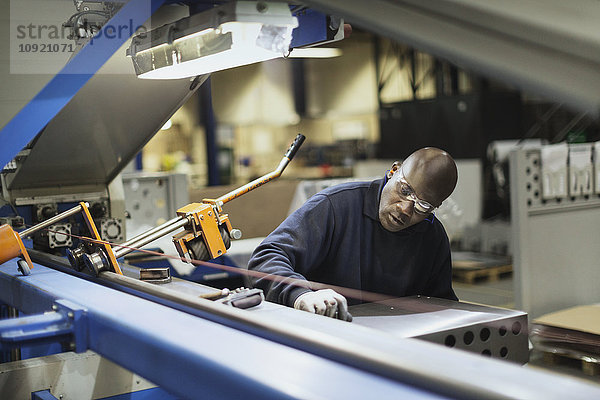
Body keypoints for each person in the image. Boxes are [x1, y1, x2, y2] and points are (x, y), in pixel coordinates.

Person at [247, 147, 459, 321]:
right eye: (404, 191)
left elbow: (442, 306)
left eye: (422, 206)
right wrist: (300, 294)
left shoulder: (432, 237)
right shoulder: (334, 206)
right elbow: (266, 257)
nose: (405, 209)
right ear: (393, 171)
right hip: (324, 341)